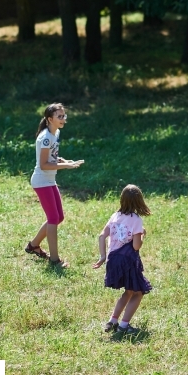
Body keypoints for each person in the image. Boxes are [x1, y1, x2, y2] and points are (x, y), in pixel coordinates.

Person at [25, 103, 84, 268]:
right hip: (41, 181)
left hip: (49, 180)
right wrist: (66, 166)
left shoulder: (55, 132)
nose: (63, 119)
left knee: (59, 217)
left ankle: (33, 245)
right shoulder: (45, 137)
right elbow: (43, 164)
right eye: (59, 116)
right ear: (49, 119)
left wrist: (63, 161)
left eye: (64, 116)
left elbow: (51, 157)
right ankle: (54, 260)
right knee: (53, 219)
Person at [93, 184, 152, 336]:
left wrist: (102, 256)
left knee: (129, 291)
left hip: (113, 259)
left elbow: (101, 236)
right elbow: (136, 246)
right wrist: (142, 234)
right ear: (139, 201)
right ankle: (123, 326)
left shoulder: (115, 216)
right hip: (128, 261)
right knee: (138, 292)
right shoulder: (136, 220)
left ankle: (112, 321)